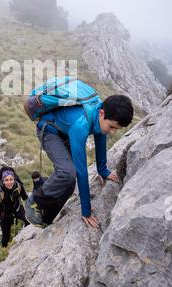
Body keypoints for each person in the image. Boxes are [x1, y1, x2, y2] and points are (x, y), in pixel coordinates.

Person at [27, 95, 134, 229]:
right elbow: (81, 172)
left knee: (69, 184)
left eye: (116, 129)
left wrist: (103, 171)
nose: (112, 132)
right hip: (49, 132)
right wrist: (86, 211)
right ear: (102, 113)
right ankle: (35, 201)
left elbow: (100, 140)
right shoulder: (81, 125)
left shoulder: (100, 115)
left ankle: (47, 219)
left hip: (65, 133)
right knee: (68, 172)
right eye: (112, 126)